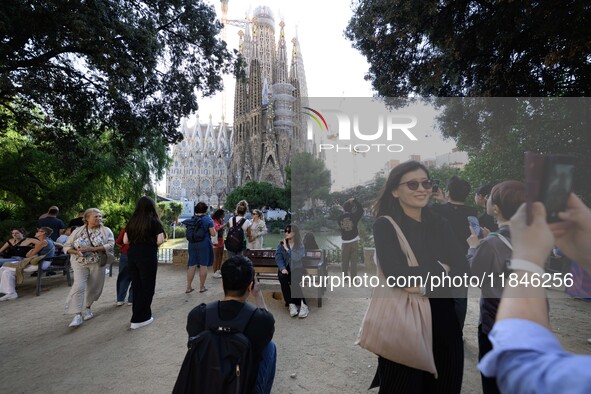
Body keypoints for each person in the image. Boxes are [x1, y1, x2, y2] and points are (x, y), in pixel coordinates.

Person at [370, 160, 466, 393]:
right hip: (404, 322)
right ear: (395, 190)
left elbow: (463, 270)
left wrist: (422, 285)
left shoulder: (440, 222)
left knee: (445, 386)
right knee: (402, 386)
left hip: (443, 321)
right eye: (412, 184)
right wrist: (441, 269)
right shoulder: (385, 226)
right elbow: (396, 276)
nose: (422, 189)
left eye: (426, 183)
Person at [479, 194, 591, 393]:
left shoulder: (491, 242)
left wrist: (527, 260)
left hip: (494, 317)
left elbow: (521, 367)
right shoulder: (543, 238)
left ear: (496, 208)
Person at [185, 255, 276, 394]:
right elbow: (268, 326)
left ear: (222, 284)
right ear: (250, 286)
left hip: (204, 384)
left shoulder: (198, 315)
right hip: (240, 385)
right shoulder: (260, 320)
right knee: (270, 347)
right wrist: (257, 295)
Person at [467, 180, 525, 394]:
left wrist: (474, 248)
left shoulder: (491, 244)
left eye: (490, 196)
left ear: (497, 208)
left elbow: (476, 278)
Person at [431, 175, 477, 330]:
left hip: (440, 264)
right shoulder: (473, 213)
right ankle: (457, 333)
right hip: (464, 262)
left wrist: (442, 203)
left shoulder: (435, 210)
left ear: (448, 192)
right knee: (460, 300)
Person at [64, 208, 115, 327]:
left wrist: (92, 249)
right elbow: (66, 246)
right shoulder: (77, 231)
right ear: (87, 218)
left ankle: (87, 308)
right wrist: (76, 252)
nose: (99, 218)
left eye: (100, 216)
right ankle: (77, 314)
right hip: (79, 263)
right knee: (79, 286)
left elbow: (111, 245)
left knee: (94, 288)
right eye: (95, 216)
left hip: (97, 263)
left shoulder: (106, 230)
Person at [123, 196, 165, 330]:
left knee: (137, 285)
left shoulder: (131, 222)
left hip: (133, 254)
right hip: (147, 254)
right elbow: (160, 240)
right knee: (147, 285)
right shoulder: (154, 221)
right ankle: (142, 317)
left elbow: (125, 241)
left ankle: (136, 315)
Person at [0, 227, 55, 301]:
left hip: (40, 264)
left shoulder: (43, 242)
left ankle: (10, 293)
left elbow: (29, 255)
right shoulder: (47, 241)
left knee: (4, 268)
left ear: (43, 233)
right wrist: (32, 251)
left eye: (38, 232)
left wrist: (31, 251)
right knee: (7, 271)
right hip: (42, 262)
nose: (36, 233)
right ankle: (10, 293)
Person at [275, 224, 308, 318]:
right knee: (282, 277)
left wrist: (287, 248)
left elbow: (297, 258)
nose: (286, 233)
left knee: (294, 281)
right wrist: (282, 268)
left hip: (297, 268)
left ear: (294, 233)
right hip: (286, 267)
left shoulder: (300, 244)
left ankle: (303, 305)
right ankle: (290, 303)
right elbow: (278, 257)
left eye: (288, 231)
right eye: (285, 231)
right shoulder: (281, 244)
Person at [183, 202, 216, 293]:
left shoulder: (191, 219)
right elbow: (213, 233)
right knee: (203, 265)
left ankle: (188, 287)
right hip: (204, 243)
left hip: (192, 243)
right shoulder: (208, 220)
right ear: (205, 210)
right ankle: (202, 287)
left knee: (192, 265)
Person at [338, 198, 363, 277]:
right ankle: (353, 278)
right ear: (352, 208)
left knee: (344, 261)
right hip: (354, 241)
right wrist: (355, 201)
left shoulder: (339, 218)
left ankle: (345, 277)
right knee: (353, 262)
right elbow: (361, 209)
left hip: (345, 242)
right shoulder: (354, 216)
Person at [115, 226, 132, 306]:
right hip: (140, 254)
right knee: (137, 277)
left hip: (125, 254)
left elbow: (118, 241)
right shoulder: (146, 226)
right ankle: (132, 299)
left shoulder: (127, 228)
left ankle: (120, 299)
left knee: (123, 277)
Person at [211, 209, 225, 279]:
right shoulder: (214, 221)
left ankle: (218, 270)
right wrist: (224, 226)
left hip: (221, 239)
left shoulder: (221, 220)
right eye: (223, 214)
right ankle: (214, 271)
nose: (224, 215)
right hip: (215, 240)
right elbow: (217, 228)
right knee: (216, 256)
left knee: (221, 255)